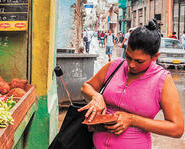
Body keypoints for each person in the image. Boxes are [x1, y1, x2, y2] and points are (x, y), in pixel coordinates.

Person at [79, 19, 184, 149]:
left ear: (154, 57)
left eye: (139, 61)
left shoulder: (162, 80)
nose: (131, 65)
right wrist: (96, 96)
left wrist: (133, 120)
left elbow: (177, 129)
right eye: (128, 57)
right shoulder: (115, 66)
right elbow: (86, 87)